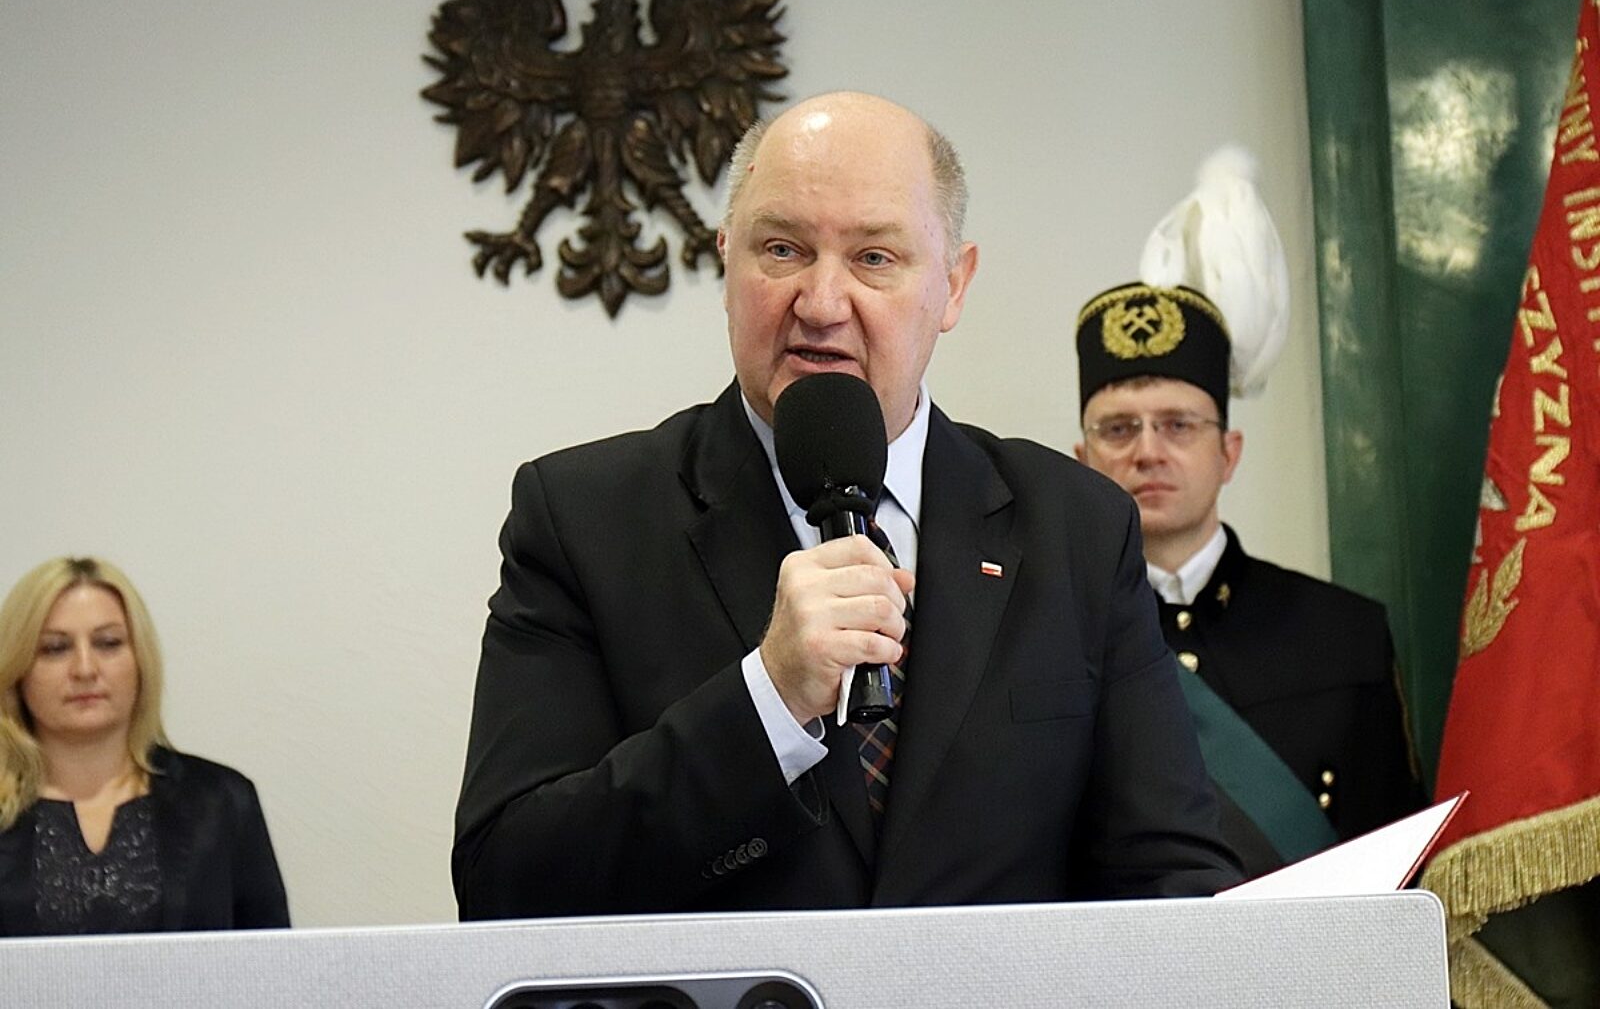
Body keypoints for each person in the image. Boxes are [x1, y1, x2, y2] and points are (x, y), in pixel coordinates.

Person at [454, 91, 1241, 920]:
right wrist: (769, 699)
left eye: (873, 258)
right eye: (782, 250)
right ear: (726, 262)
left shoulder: (1077, 526)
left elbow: (1174, 880)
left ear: (953, 285)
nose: (822, 303)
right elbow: (507, 882)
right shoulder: (582, 518)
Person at [1074, 150, 1423, 877]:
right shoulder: (1050, 637)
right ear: (1083, 458)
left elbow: (1392, 864)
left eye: (1178, 425)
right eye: (1119, 428)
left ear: (1228, 452)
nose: (1148, 451)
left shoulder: (1344, 634)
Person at [0, 557, 289, 935]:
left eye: (108, 643)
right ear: (17, 668)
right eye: (55, 648)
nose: (85, 669)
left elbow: (272, 960)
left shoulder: (220, 802)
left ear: (141, 659)